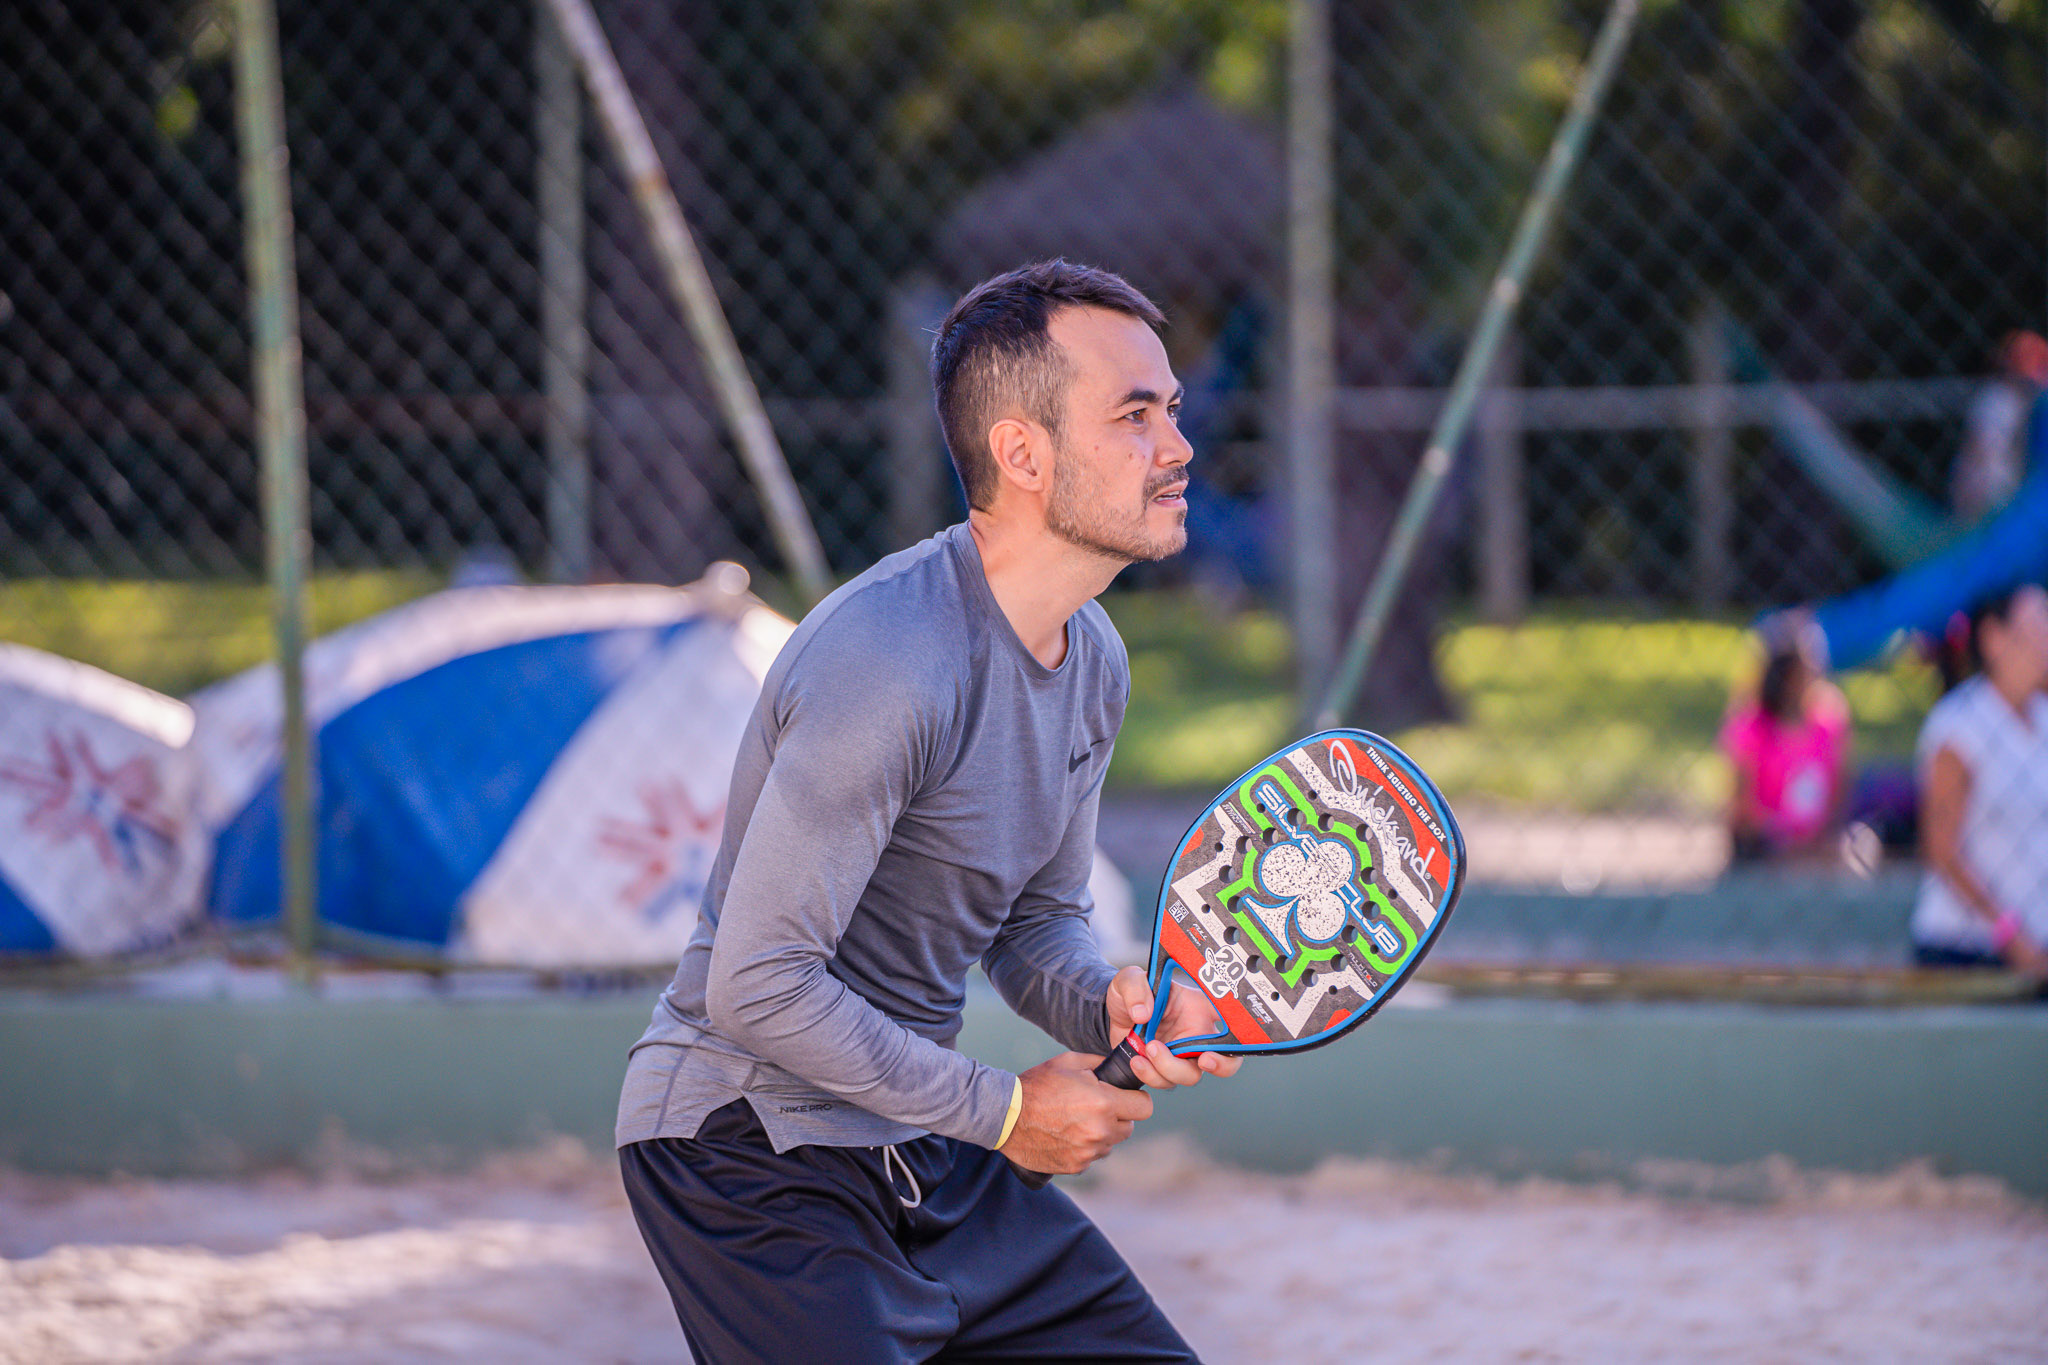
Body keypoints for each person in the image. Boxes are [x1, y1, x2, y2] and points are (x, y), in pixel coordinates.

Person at [614, 260, 1238, 1363]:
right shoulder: (890, 657)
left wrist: (1114, 1011)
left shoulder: (1093, 657)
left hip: (915, 1138)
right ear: (1023, 455)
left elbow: (1033, 923)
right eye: (1134, 415)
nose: (1177, 446)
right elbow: (755, 982)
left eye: (1172, 410)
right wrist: (1007, 1114)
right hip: (744, 1144)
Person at [1910, 581, 2048, 977]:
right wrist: (2010, 935)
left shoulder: (2043, 717)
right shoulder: (1959, 726)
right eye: (2036, 628)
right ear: (1993, 638)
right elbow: (1940, 850)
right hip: (1966, 949)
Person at [1720, 616, 1851, 863]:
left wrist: (1816, 838)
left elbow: (1839, 791)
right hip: (1764, 849)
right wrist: (1784, 837)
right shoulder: (1751, 726)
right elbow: (1742, 808)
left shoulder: (1828, 721)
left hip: (1817, 846)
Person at [1951, 330, 2048, 521]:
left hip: (2012, 493)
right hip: (1989, 491)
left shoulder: (2028, 404)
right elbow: (1981, 453)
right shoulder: (1997, 400)